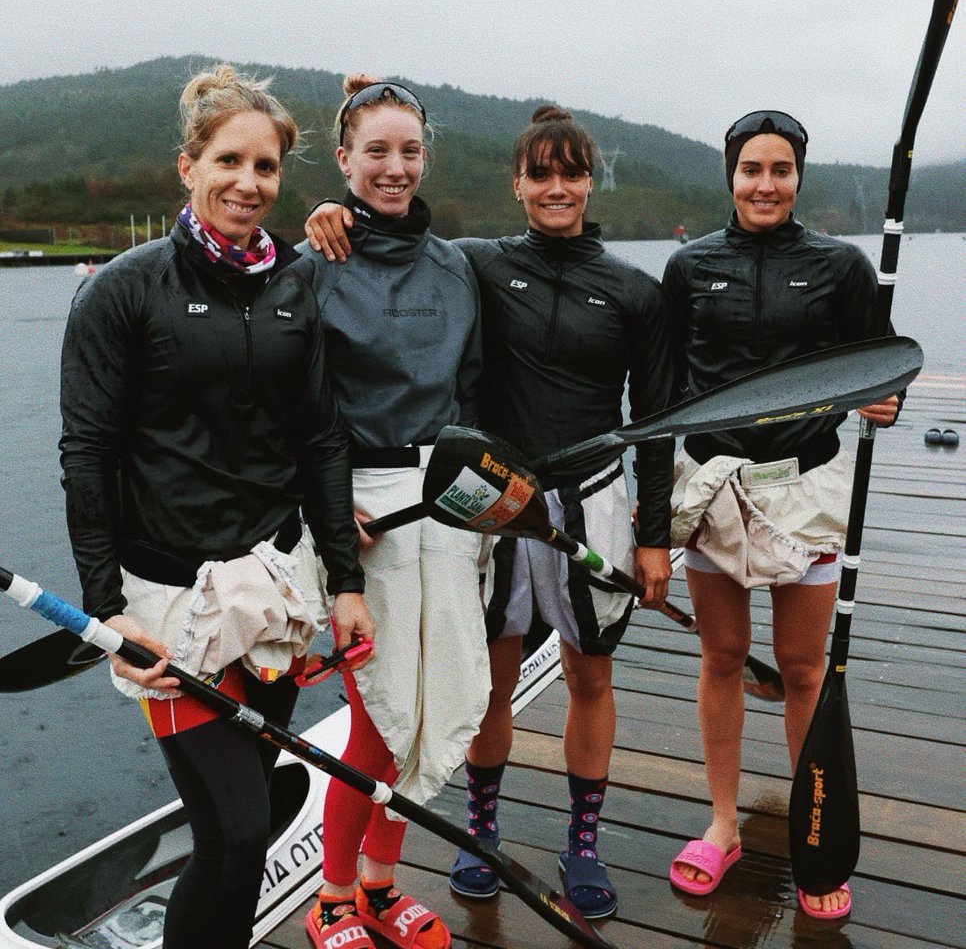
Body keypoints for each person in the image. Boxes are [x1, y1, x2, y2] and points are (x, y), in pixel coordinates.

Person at [305, 104, 675, 921]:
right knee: (491, 677)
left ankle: (583, 842)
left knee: (589, 674)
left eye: (570, 171)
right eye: (538, 173)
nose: (555, 187)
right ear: (516, 184)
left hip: (592, 495)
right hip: (492, 500)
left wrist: (655, 539)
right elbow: (390, 250)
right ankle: (484, 831)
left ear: (588, 181)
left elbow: (654, 422)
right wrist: (333, 217)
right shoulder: (470, 263)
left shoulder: (634, 290)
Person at [59, 65, 373, 949]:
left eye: (266, 167)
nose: (248, 183)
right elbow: (86, 453)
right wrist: (107, 613)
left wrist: (343, 584)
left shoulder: (295, 287)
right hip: (169, 607)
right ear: (187, 166)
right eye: (228, 160)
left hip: (273, 586)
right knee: (234, 832)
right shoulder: (122, 289)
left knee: (249, 818)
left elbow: (321, 441)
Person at [661, 110, 900, 920]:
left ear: (800, 177)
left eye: (781, 170)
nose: (766, 184)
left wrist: (884, 402)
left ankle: (814, 831)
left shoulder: (841, 265)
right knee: (722, 657)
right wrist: (649, 516)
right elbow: (663, 391)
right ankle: (723, 823)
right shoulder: (689, 266)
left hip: (806, 485)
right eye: (751, 169)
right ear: (729, 176)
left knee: (803, 669)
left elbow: (878, 366)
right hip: (712, 484)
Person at [296, 76, 487, 949]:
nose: (394, 166)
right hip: (361, 508)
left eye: (409, 150)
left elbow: (471, 393)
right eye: (376, 150)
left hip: (444, 507)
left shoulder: (455, 266)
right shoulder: (313, 266)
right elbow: (294, 410)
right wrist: (328, 518)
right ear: (343, 162)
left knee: (436, 699)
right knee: (378, 716)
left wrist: (486, 501)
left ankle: (379, 883)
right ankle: (332, 894)